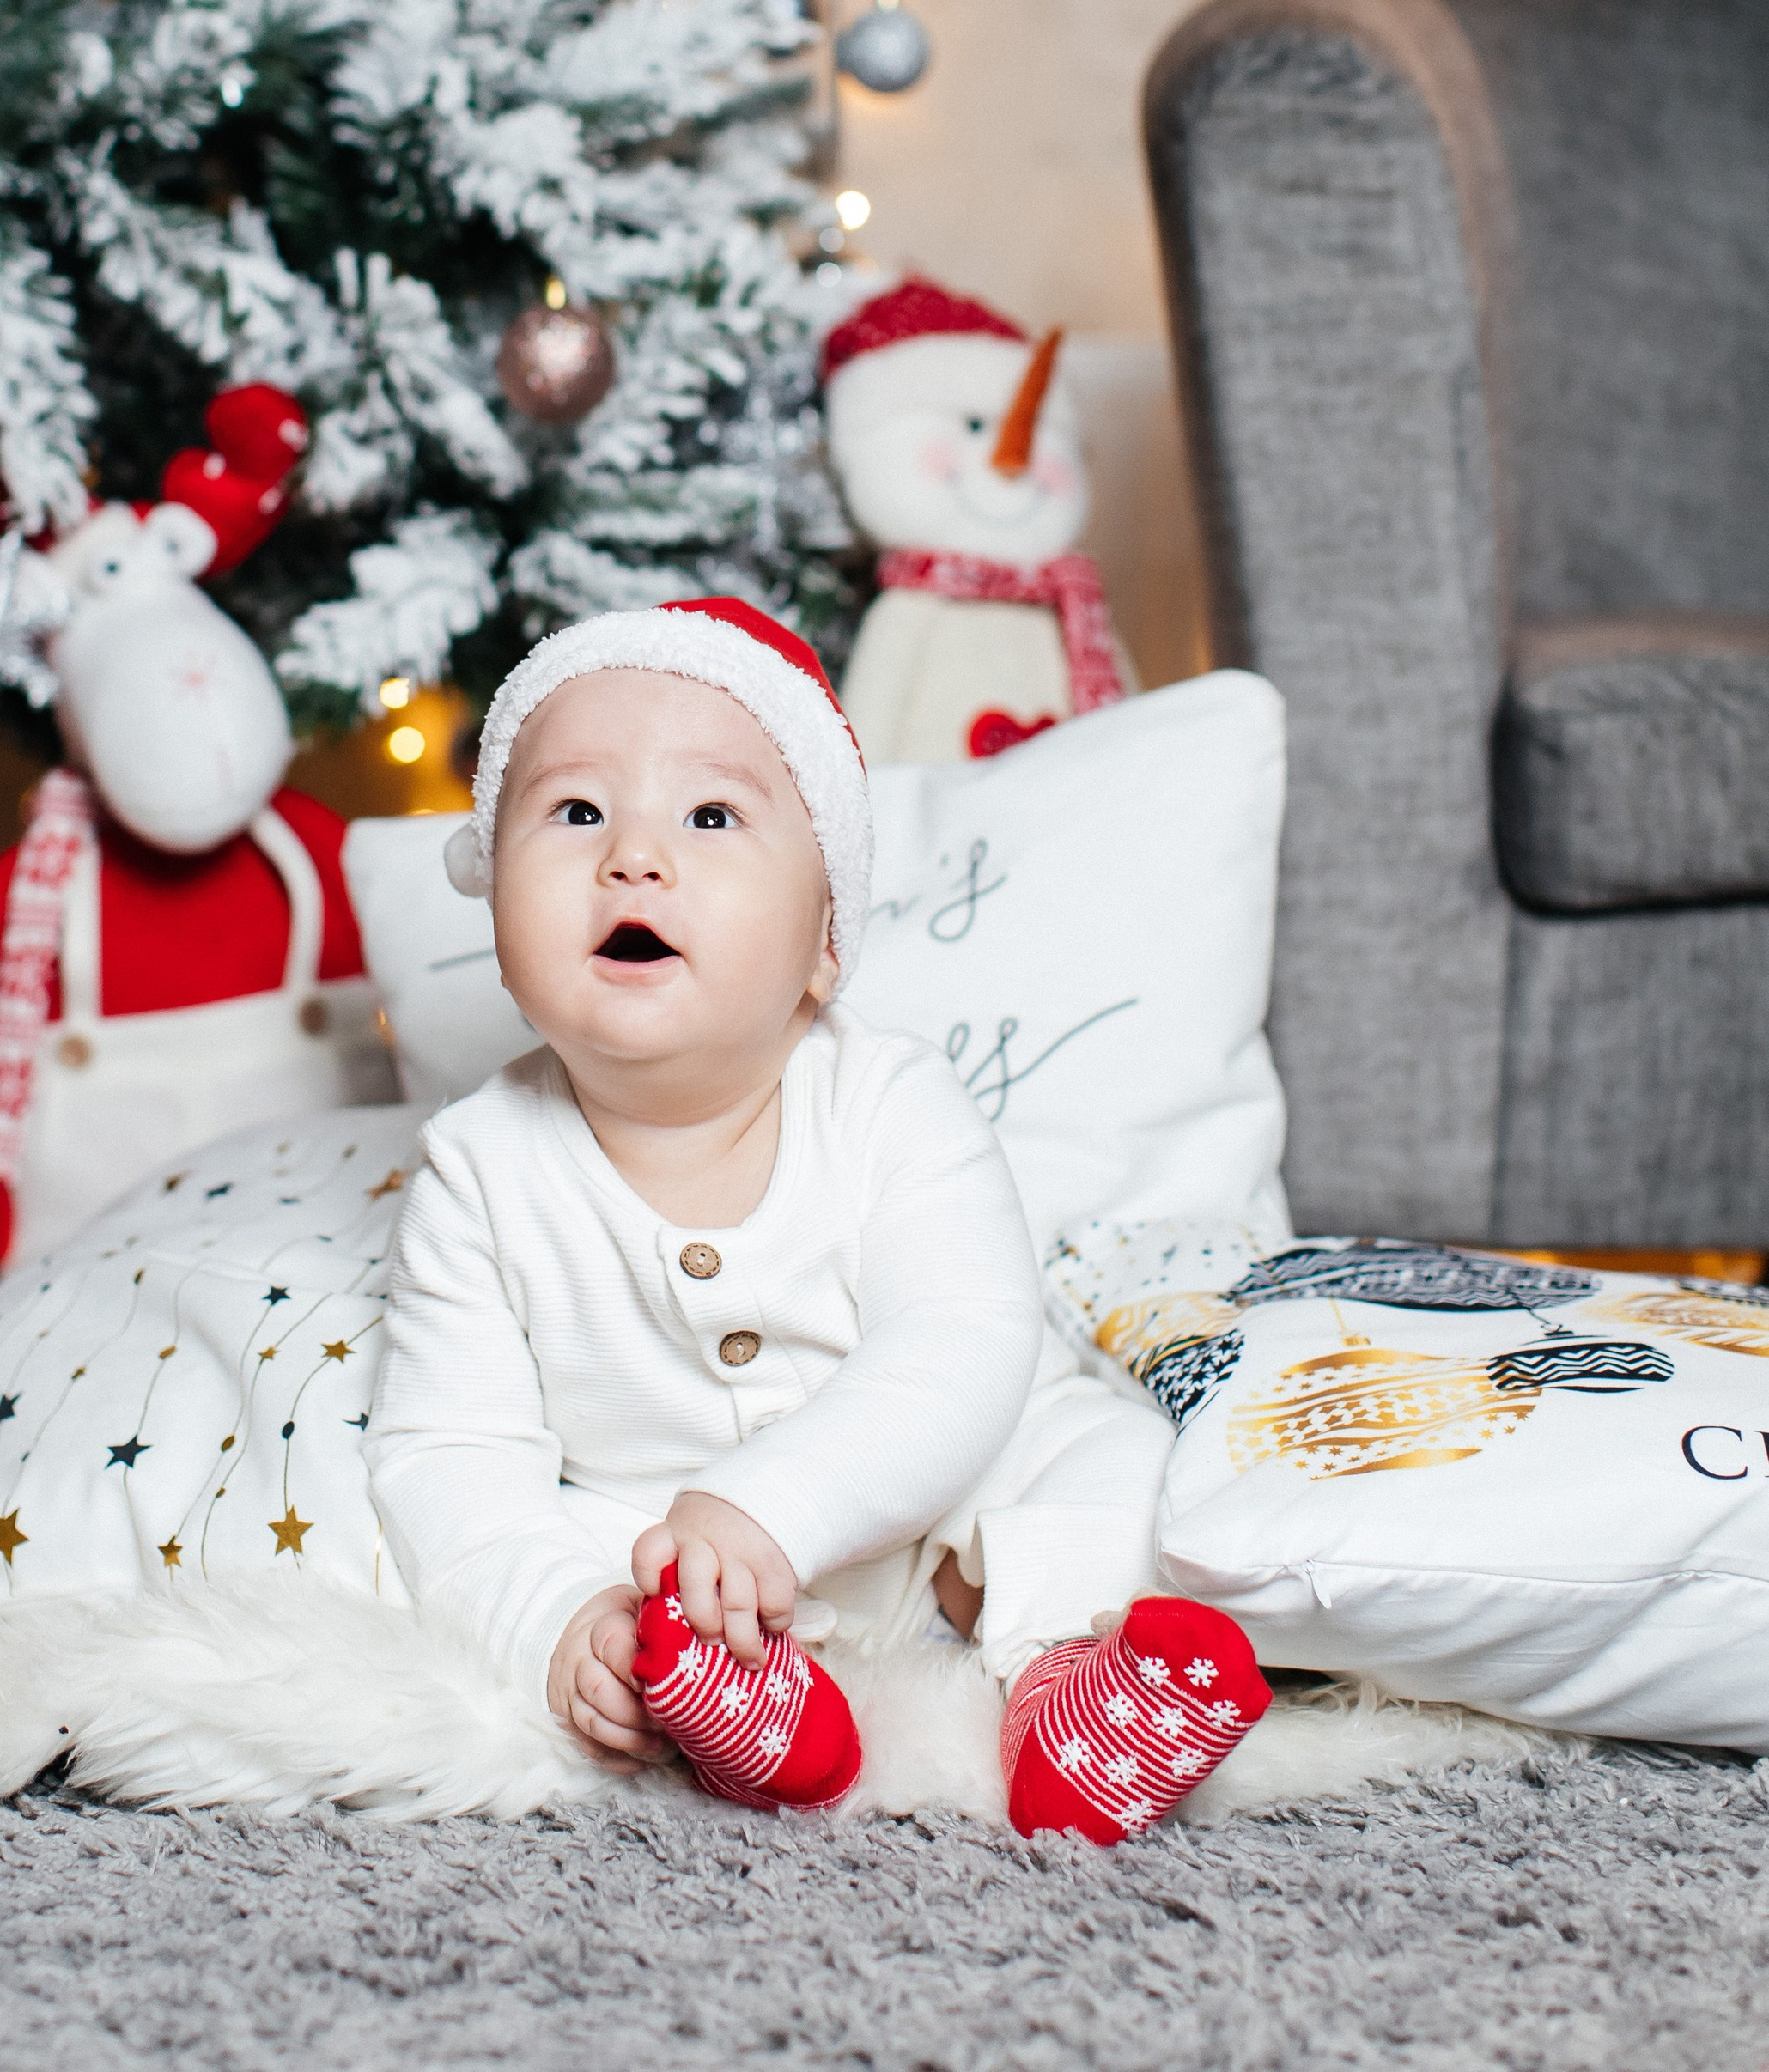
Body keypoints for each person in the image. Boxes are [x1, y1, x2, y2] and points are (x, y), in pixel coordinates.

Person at [363, 599, 1269, 1838]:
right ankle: (739, 1699)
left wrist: (775, 1506)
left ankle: (1070, 1679)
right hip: (667, 1544)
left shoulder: (893, 1106)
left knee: (1110, 1465)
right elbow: (449, 1457)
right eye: (576, 812)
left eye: (711, 816)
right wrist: (553, 1621)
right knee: (577, 1566)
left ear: (823, 946)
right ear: (498, 921)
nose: (634, 856)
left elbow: (959, 1347)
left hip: (939, 1495)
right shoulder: (476, 1171)